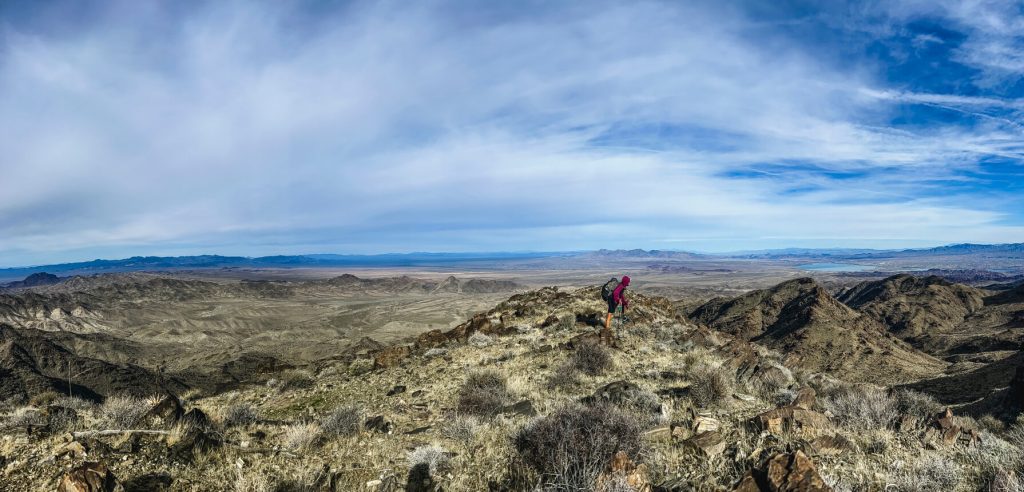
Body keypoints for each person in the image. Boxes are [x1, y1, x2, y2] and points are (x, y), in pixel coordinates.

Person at [602, 275, 630, 343]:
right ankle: (607, 328)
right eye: (628, 282)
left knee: (611, 313)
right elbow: (615, 293)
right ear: (625, 282)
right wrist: (618, 300)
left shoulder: (622, 286)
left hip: (612, 299)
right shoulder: (621, 286)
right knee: (610, 312)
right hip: (611, 299)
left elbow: (621, 296)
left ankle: (608, 326)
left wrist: (625, 303)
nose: (628, 284)